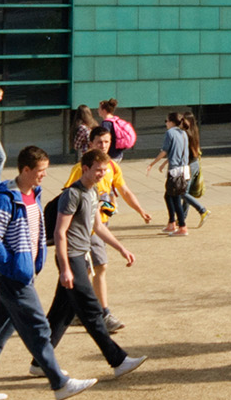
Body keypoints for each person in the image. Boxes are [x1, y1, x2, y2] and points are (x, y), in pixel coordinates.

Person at [0, 145, 95, 400]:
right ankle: (60, 383)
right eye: (40, 171)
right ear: (26, 169)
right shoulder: (6, 199)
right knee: (38, 327)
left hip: (21, 274)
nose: (44, 175)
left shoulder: (33, 195)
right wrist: (11, 263)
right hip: (14, 277)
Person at [38, 149, 144, 381]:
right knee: (91, 312)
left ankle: (39, 362)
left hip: (80, 255)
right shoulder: (72, 195)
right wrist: (65, 267)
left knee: (61, 314)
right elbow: (60, 232)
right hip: (72, 258)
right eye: (98, 170)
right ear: (84, 169)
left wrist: (121, 248)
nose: (101, 174)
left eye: (104, 170)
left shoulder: (94, 192)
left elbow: (99, 227)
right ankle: (118, 360)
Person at [64, 125, 152, 327]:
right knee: (98, 266)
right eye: (99, 142)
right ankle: (103, 313)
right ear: (90, 144)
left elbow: (124, 190)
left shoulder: (111, 167)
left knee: (93, 268)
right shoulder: (81, 169)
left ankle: (81, 311)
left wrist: (139, 210)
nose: (103, 146)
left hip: (101, 225)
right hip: (84, 228)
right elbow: (68, 196)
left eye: (107, 142)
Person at [147, 111, 197, 235]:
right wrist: (164, 163)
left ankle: (182, 226)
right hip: (184, 169)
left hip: (175, 169)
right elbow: (179, 151)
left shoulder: (170, 133)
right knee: (169, 196)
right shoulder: (184, 133)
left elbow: (165, 151)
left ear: (171, 122)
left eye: (167, 121)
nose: (166, 124)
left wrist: (152, 163)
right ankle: (172, 223)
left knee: (174, 197)